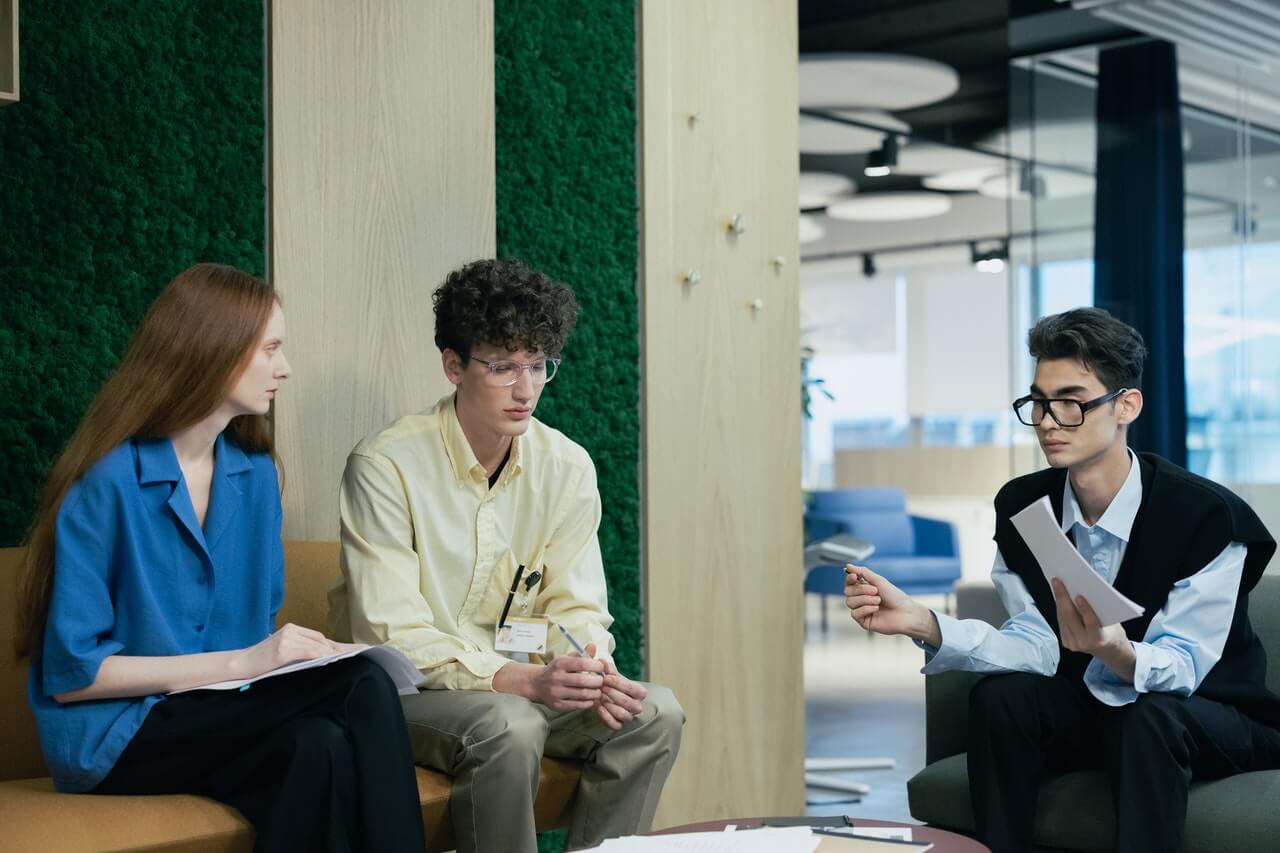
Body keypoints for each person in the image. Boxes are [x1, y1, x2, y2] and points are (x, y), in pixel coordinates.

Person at [15, 263, 426, 853]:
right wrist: (246, 663)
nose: (284, 368)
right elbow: (73, 677)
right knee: (361, 684)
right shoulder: (106, 483)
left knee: (318, 746)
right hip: (118, 737)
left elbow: (256, 624)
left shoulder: (253, 475)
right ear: (213, 349)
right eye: (271, 349)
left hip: (216, 718)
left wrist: (290, 658)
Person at [843, 307, 1280, 853]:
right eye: (1039, 403)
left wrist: (1116, 653)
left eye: (1071, 402)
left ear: (1126, 406)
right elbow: (1036, 646)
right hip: (1096, 710)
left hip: (1209, 714)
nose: (1048, 421)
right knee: (1002, 698)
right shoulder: (1024, 506)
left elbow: (1185, 665)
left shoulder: (1207, 516)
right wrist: (925, 623)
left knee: (1147, 714)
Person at [329, 258, 684, 853]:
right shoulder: (385, 466)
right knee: (509, 722)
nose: (526, 389)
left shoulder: (566, 465)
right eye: (501, 367)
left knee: (655, 713)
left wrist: (589, 666)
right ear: (454, 366)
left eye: (538, 365)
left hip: (523, 683)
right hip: (402, 693)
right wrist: (519, 680)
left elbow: (576, 604)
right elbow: (390, 632)